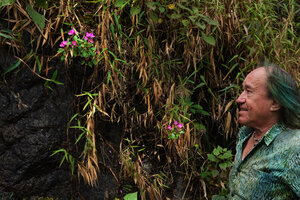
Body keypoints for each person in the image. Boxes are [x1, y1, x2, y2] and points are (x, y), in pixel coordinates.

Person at [229, 63, 300, 199]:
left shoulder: (294, 148)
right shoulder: (245, 135)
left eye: (249, 91)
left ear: (275, 103)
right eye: (242, 90)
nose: (239, 99)